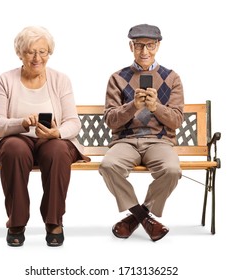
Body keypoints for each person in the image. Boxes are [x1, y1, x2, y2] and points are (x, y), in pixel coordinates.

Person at [0, 26, 90, 247]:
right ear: (20, 53)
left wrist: (56, 132)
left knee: (59, 150)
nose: (37, 57)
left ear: (49, 53)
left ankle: (54, 221)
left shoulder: (61, 80)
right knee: (14, 149)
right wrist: (20, 123)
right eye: (30, 51)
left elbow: (73, 122)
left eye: (43, 51)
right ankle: (16, 222)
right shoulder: (5, 80)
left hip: (50, 139)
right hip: (16, 139)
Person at [99, 24, 184, 242]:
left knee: (172, 169)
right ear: (131, 46)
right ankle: (144, 217)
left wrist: (156, 107)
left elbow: (176, 120)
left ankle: (135, 217)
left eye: (150, 45)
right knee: (108, 166)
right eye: (139, 45)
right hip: (125, 141)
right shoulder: (117, 78)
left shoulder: (171, 78)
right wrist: (132, 106)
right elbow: (110, 120)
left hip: (159, 142)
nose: (144, 51)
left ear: (158, 46)